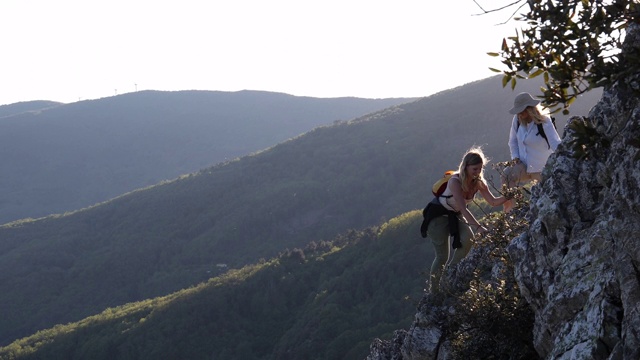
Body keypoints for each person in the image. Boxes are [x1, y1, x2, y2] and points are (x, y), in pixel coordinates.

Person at [421, 147, 509, 292]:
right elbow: (463, 208)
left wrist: (509, 195)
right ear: (466, 167)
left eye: (480, 169)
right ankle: (434, 291)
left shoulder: (479, 182)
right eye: (474, 169)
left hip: (454, 215)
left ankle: (450, 275)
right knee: (442, 256)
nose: (478, 172)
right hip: (437, 217)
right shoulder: (455, 182)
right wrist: (479, 227)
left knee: (468, 239)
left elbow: (493, 202)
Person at [502, 92, 561, 212]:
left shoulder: (544, 121)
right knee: (506, 175)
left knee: (550, 200)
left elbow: (555, 142)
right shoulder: (517, 120)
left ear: (530, 109)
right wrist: (515, 157)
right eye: (518, 112)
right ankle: (513, 211)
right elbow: (512, 141)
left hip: (541, 168)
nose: (520, 114)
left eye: (522, 111)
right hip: (523, 165)